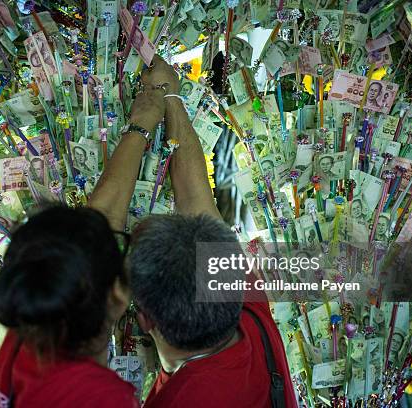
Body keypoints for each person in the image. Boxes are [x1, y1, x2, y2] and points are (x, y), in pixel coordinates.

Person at [87, 56, 297, 407]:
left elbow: (90, 240)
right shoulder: (246, 313)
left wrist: (139, 127)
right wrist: (170, 98)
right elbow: (195, 197)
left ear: (144, 319)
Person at [0, 83, 164, 408]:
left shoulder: (27, 339)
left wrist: (141, 125)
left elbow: (96, 227)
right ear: (118, 294)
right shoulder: (101, 398)